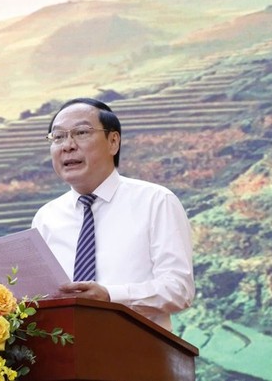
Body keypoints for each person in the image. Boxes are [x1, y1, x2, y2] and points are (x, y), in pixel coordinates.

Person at [31, 98, 195, 330]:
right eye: (58, 137)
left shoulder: (155, 201)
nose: (67, 145)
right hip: (66, 357)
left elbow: (179, 289)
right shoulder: (46, 217)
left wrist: (111, 296)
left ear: (113, 142)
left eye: (81, 133)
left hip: (138, 356)